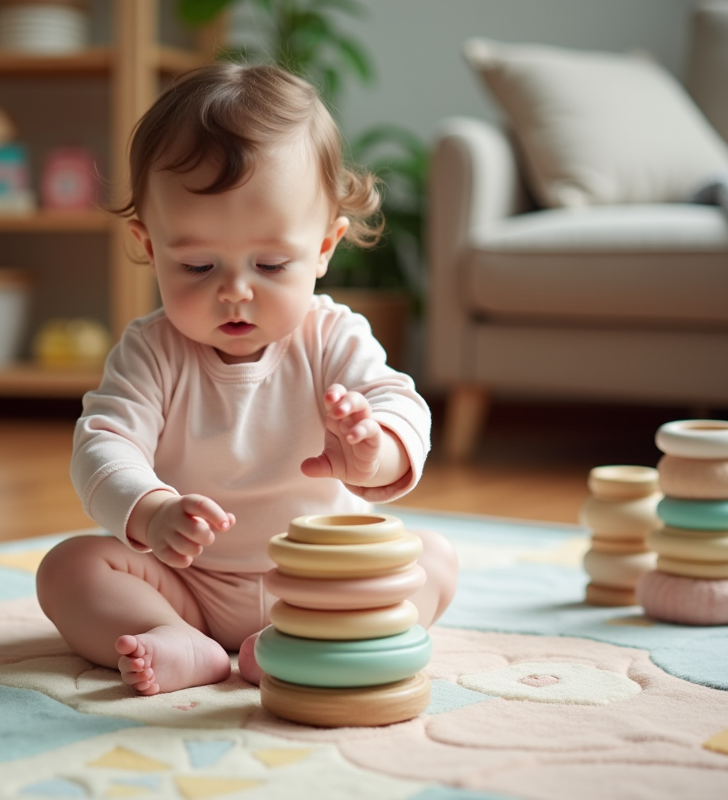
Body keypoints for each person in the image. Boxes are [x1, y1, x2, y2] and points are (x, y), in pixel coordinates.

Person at [36, 62, 458, 696]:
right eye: (198, 264)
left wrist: (374, 448)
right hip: (186, 585)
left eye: (270, 263)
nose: (235, 291)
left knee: (434, 559)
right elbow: (104, 444)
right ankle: (178, 640)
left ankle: (306, 638)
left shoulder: (332, 335)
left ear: (323, 248)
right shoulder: (152, 351)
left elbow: (400, 403)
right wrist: (152, 513)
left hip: (319, 579)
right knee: (68, 568)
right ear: (150, 247)